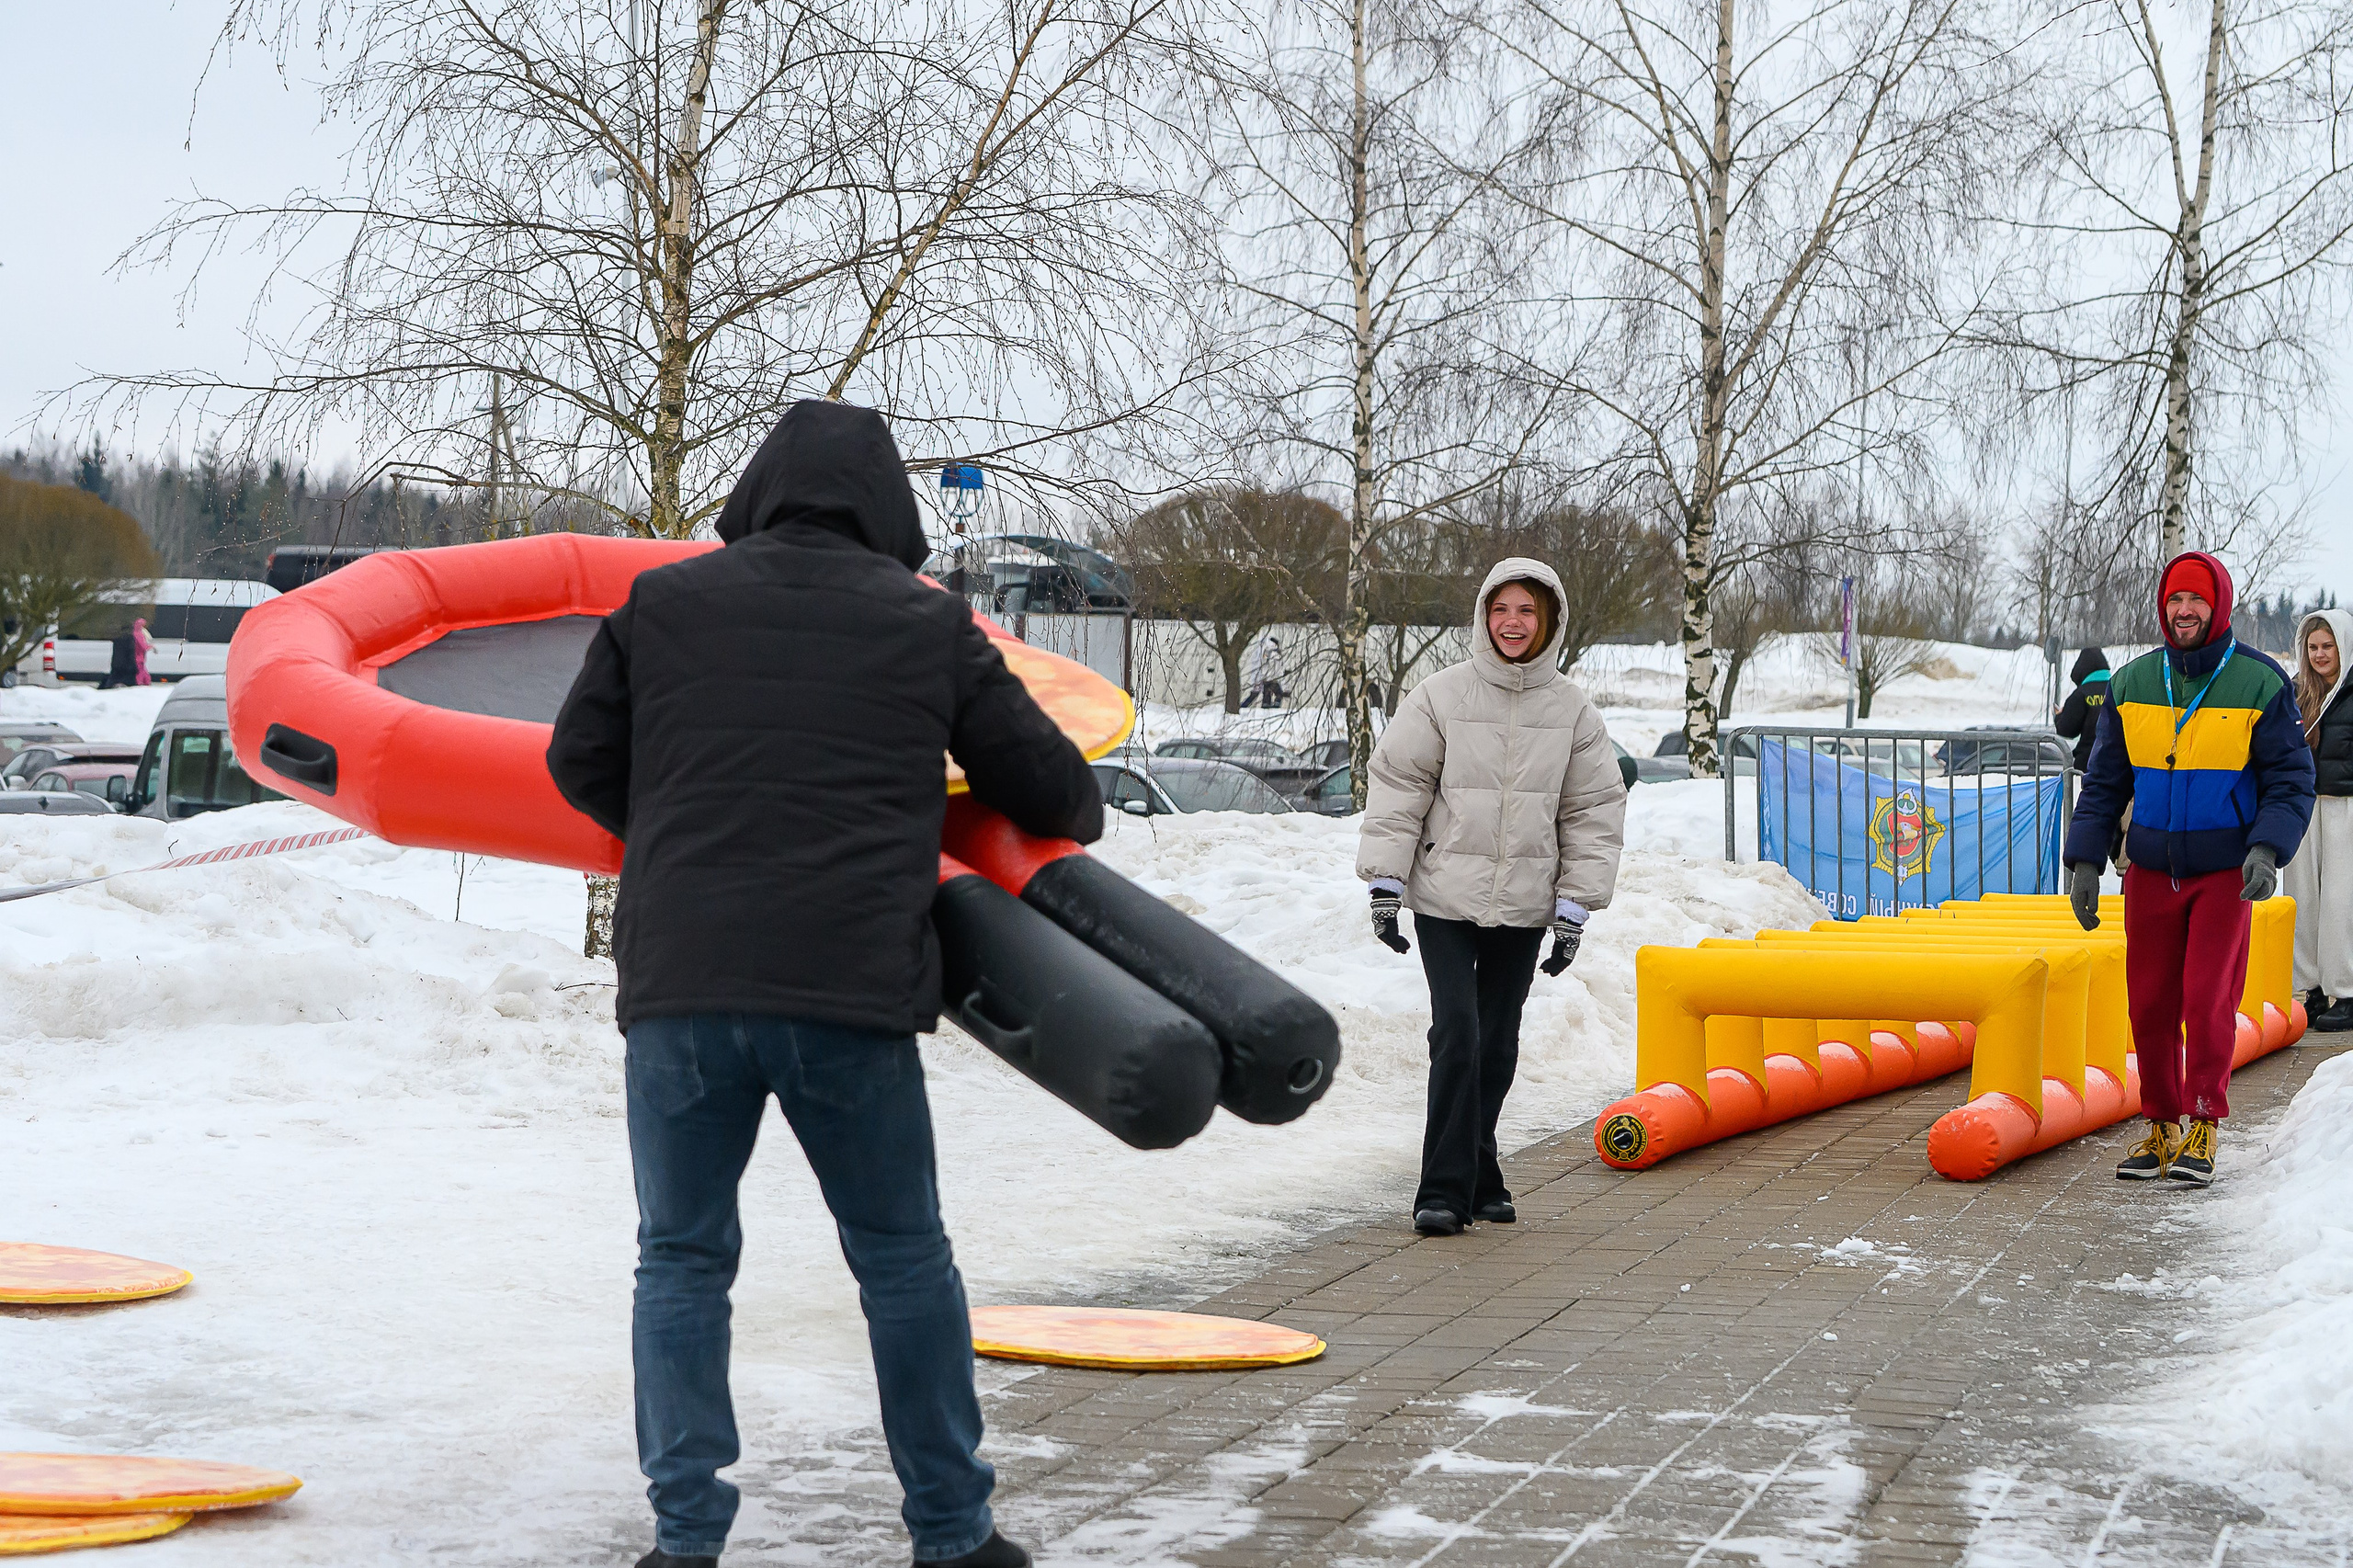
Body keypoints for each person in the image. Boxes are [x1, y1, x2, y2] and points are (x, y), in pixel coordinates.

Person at [548, 400, 1102, 1568]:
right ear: (886, 505)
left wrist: (675, 835)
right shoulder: (925, 623)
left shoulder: (663, 603)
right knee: (902, 1259)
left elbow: (575, 760)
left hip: (684, 987)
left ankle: (684, 1536)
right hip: (848, 988)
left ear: (757, 491)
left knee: (681, 1258)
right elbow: (1056, 790)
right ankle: (953, 1534)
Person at [1355, 559, 1627, 1236]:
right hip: (1446, 896)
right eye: (1501, 609)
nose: (1512, 622)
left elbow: (1593, 810)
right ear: (1483, 615)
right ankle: (1443, 1191)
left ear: (1550, 622)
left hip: (1525, 902)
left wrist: (1575, 906)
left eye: (1527, 611)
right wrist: (1387, 883)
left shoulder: (1572, 711)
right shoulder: (1441, 696)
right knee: (1458, 1034)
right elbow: (1398, 786)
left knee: (1498, 1042)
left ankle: (1481, 1169)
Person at [2063, 551, 2313, 1187]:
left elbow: (2291, 778)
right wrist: (2086, 859)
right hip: (2149, 870)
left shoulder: (2261, 683)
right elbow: (2102, 782)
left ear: (2219, 607)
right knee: (2148, 1004)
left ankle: (2204, 1121)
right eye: (2175, 600)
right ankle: (2160, 1124)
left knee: (2206, 1001)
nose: (2184, 612)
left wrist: (2267, 848)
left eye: (2197, 601)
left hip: (2223, 871)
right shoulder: (2132, 682)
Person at [2287, 608, 2353, 1031]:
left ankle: (2345, 990)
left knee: (2339, 902)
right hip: (2306, 804)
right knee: (2303, 898)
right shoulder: (2297, 692)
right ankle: (2308, 989)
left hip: (2345, 805)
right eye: (2313, 646)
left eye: (2328, 646)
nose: (2320, 654)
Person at [2052, 646, 2111, 773]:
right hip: (2117, 761)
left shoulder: (2081, 694)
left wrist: (2059, 716)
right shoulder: (2117, 688)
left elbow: (2067, 729)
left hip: (2089, 762)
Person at [1242, 629, 1286, 710]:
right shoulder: (1271, 652)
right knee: (1278, 693)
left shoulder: (1264, 651)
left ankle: (1264, 705)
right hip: (1270, 677)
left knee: (1262, 694)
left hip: (1265, 677)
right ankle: (1271, 705)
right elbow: (1273, 664)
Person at [131, 617, 153, 687]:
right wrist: (151, 647)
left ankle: (144, 684)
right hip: (139, 658)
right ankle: (140, 685)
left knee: (143, 673)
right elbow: (143, 646)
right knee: (141, 674)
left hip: (136, 657)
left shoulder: (133, 633)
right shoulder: (139, 634)